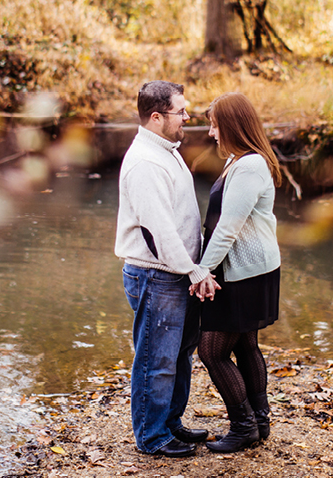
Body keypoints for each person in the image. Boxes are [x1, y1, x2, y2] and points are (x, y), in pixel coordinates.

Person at [115, 80, 221, 458]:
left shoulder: (165, 149)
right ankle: (152, 437)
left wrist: (194, 266)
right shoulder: (145, 162)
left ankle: (170, 423)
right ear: (157, 117)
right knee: (156, 359)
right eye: (181, 112)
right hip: (157, 275)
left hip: (176, 273)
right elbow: (158, 230)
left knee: (178, 354)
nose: (187, 118)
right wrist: (193, 272)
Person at [191, 92, 282, 453]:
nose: (211, 132)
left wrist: (201, 270)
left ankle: (244, 426)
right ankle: (259, 421)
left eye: (214, 124)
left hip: (243, 273)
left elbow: (227, 228)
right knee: (245, 343)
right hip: (250, 269)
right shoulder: (242, 161)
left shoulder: (248, 167)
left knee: (211, 351)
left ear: (231, 125)